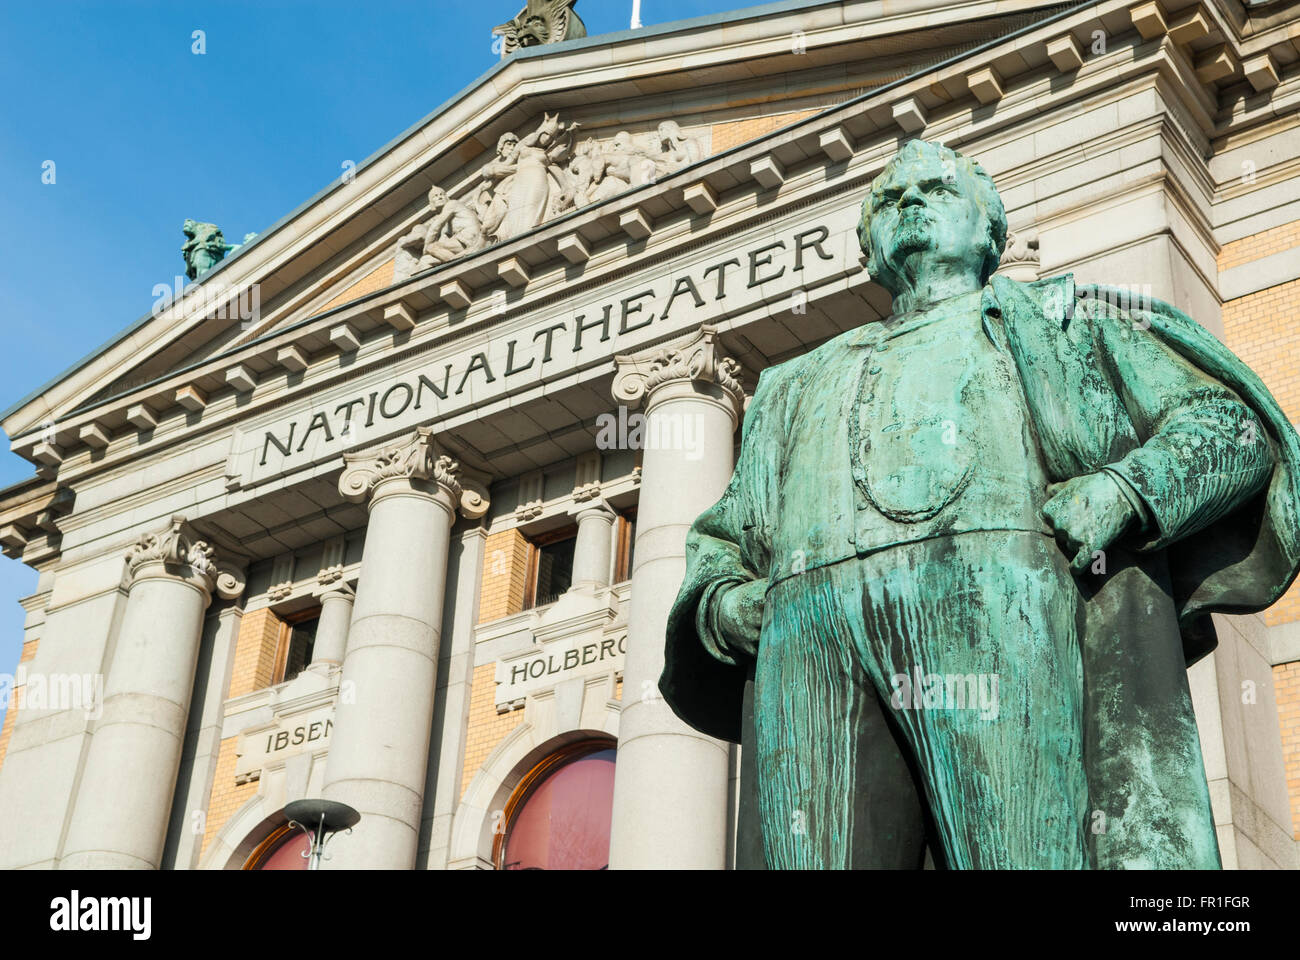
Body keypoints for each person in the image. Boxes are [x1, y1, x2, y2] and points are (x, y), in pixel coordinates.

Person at [661, 139, 1300, 869]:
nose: (905, 205)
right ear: (867, 248)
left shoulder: (1065, 325)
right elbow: (723, 542)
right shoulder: (789, 386)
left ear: (990, 231)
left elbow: (1234, 427)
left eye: (933, 190)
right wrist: (723, 606)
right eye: (886, 201)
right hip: (809, 640)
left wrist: (1125, 491)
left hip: (1005, 611)